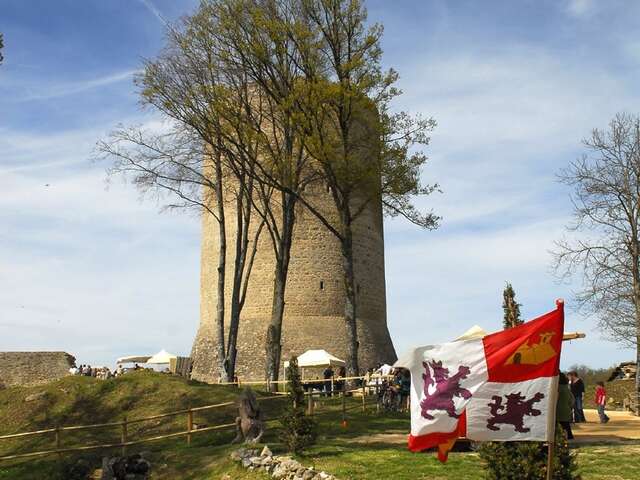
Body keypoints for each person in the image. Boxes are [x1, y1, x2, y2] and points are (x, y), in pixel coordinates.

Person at [557, 372, 575, 440]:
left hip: (559, 411)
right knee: (566, 425)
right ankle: (569, 437)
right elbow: (572, 400)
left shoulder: (558, 388)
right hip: (566, 410)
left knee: (561, 425)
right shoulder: (566, 388)